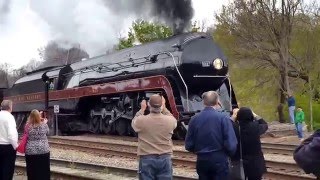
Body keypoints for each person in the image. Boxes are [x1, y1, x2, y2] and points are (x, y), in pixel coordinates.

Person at [185, 91, 237, 180]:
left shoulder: (194, 119)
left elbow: (189, 144)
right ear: (217, 102)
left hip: (202, 159)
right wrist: (228, 154)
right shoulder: (223, 118)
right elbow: (231, 143)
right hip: (219, 158)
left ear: (203, 102)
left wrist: (198, 151)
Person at [131, 94, 177, 180]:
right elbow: (171, 117)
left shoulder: (141, 120)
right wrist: (165, 108)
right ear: (161, 106)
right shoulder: (171, 121)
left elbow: (134, 122)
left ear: (148, 105)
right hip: (165, 159)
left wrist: (142, 109)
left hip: (147, 158)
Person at [230, 107, 268, 180]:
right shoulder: (255, 126)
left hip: (240, 162)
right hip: (255, 163)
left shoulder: (234, 127)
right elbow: (265, 124)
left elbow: (227, 124)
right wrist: (255, 115)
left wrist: (233, 116)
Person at [25, 109, 50, 180]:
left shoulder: (27, 126)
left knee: (32, 171)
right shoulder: (44, 125)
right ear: (39, 116)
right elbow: (48, 133)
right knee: (44, 170)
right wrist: (45, 122)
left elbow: (26, 133)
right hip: (43, 150)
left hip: (30, 151)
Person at [0, 100, 18, 180]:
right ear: (10, 107)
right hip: (7, 147)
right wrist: (16, 146)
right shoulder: (10, 117)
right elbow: (11, 135)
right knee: (7, 170)